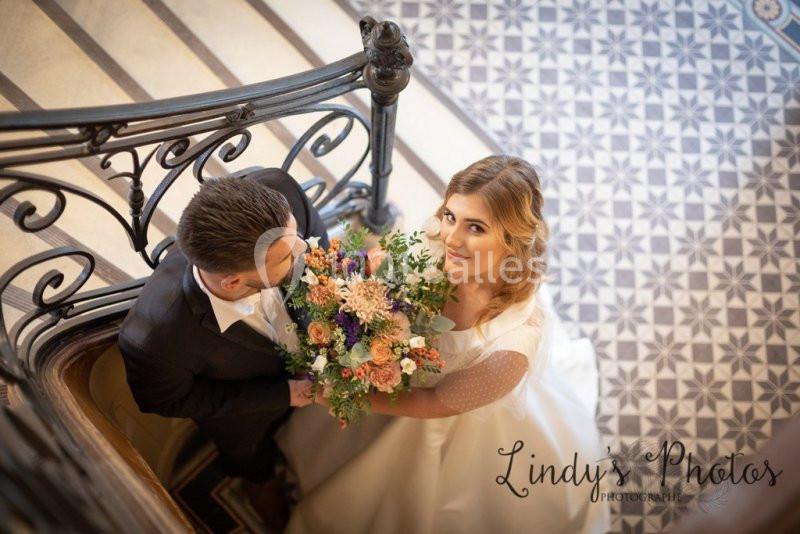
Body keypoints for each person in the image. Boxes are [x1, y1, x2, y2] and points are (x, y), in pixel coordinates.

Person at [275, 155, 611, 533]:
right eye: (451, 215)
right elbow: (389, 262)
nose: (451, 237)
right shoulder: (442, 240)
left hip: (446, 418)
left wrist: (340, 395)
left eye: (476, 227)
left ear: (510, 239)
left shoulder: (509, 350)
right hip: (397, 375)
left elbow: (430, 403)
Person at [118, 168, 328, 527]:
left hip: (307, 359)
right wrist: (284, 394)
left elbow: (320, 265)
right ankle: (259, 483)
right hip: (246, 416)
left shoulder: (278, 193)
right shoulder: (153, 340)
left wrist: (320, 332)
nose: (304, 247)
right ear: (232, 281)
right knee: (251, 458)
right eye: (286, 256)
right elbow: (167, 400)